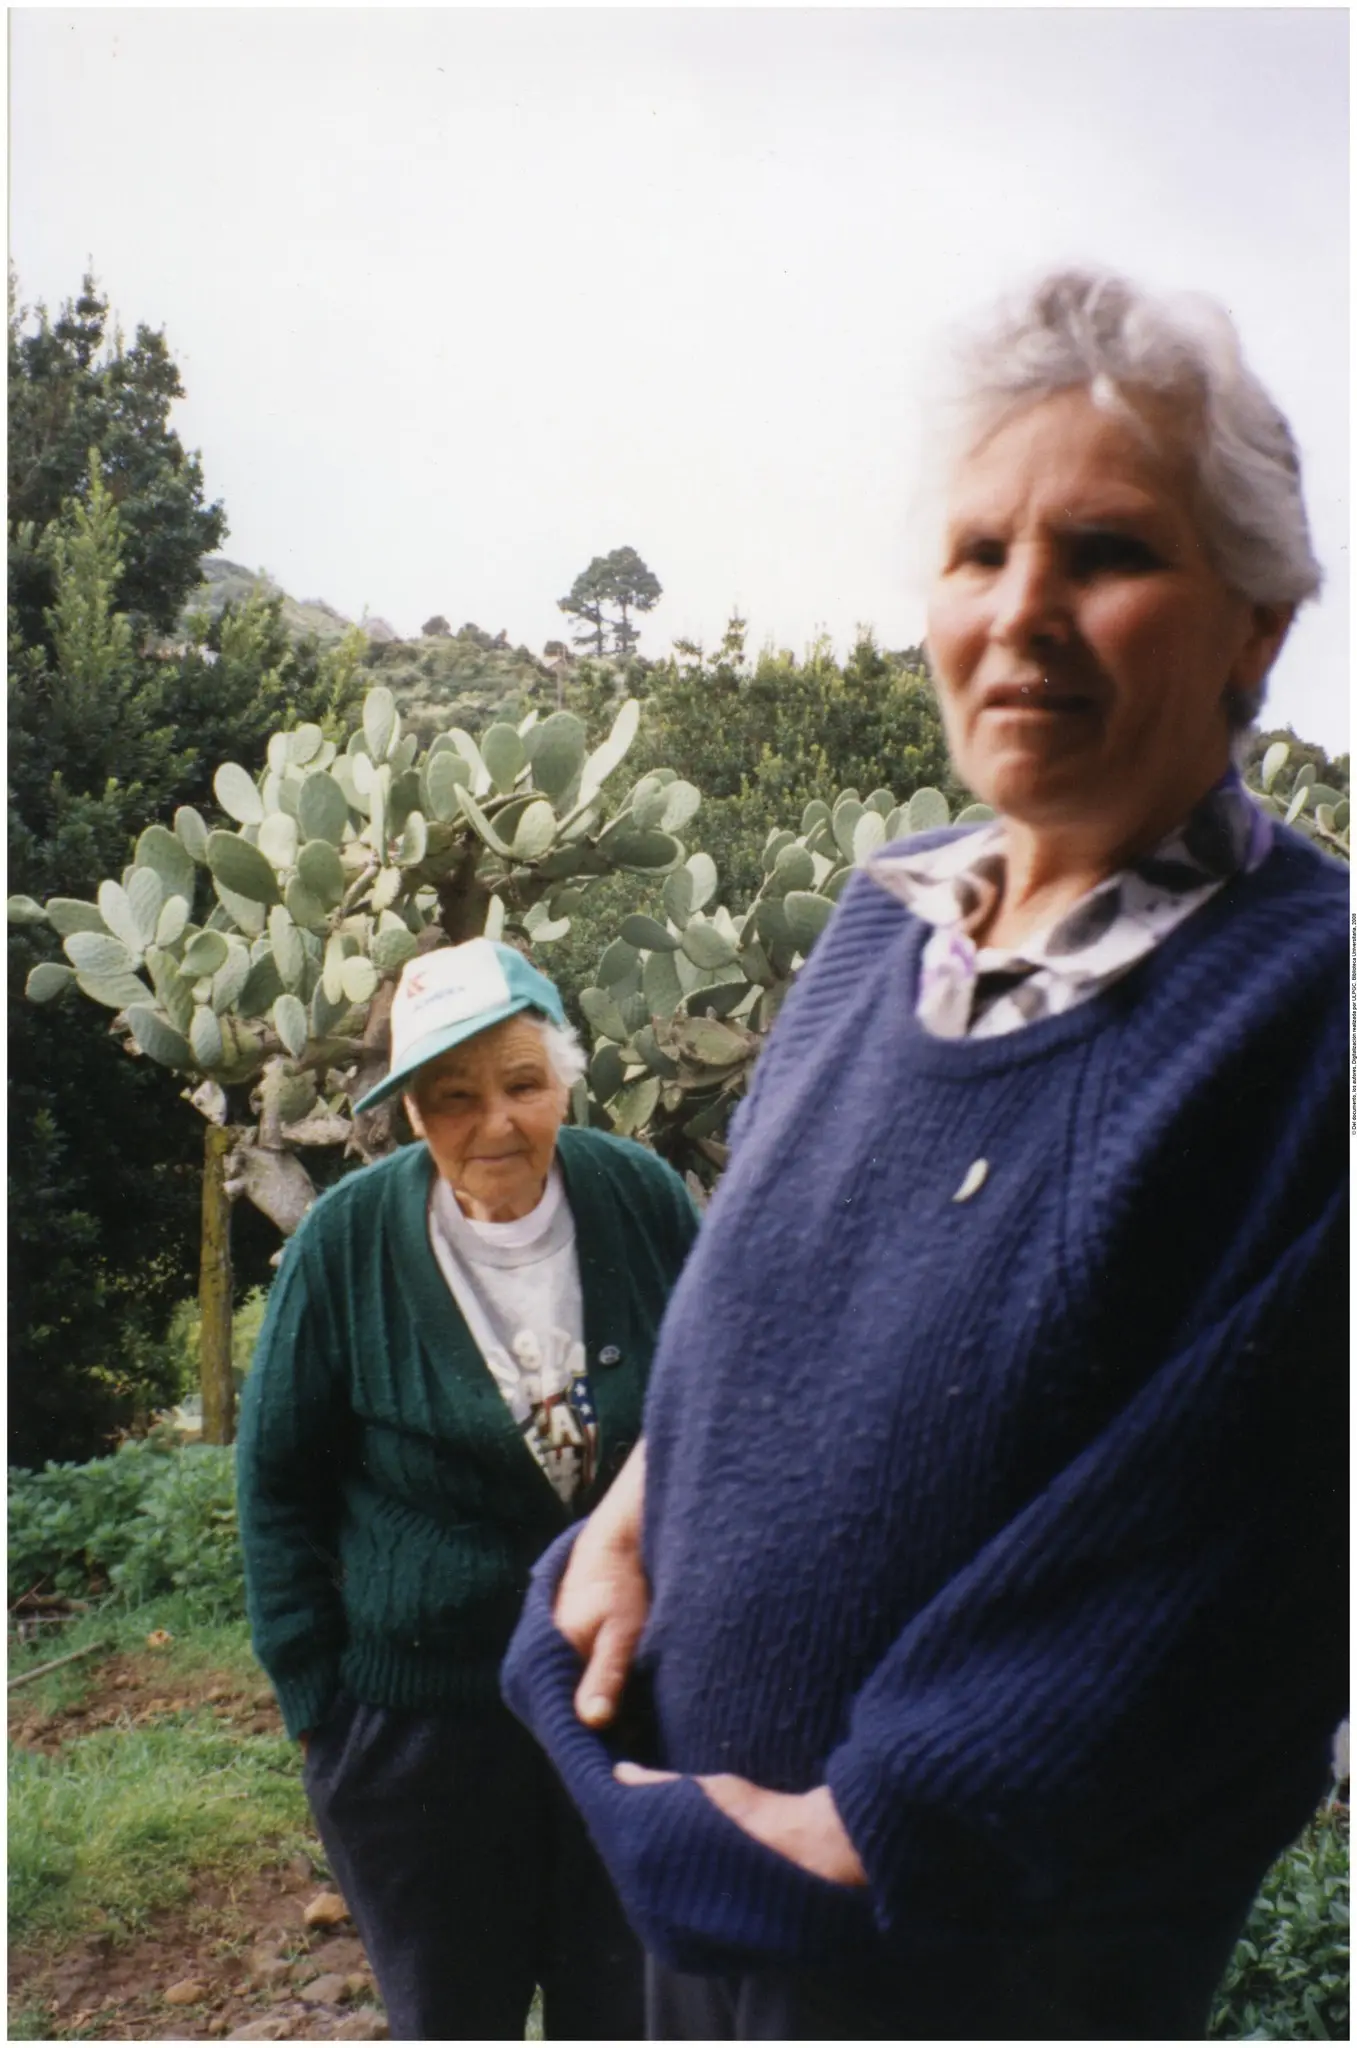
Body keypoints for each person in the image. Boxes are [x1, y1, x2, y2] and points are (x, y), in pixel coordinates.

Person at [502, 270, 1348, 2039]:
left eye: (1103, 552)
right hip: (710, 1925)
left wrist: (861, 1840)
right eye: (974, 554)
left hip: (958, 1966)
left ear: (1257, 618)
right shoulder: (883, 918)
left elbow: (1233, 1569)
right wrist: (624, 1529)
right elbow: (752, 1323)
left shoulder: (1311, 1011)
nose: (1018, 613)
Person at [237, 938, 701, 2040]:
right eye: (452, 1095)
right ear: (408, 1112)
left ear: (566, 1082)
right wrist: (320, 1711)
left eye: (523, 1083)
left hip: (618, 1701)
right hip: (417, 1731)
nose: (494, 1122)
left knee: (631, 2009)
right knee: (453, 2016)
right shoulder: (345, 1244)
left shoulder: (636, 1196)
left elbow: (715, 1404)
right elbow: (276, 1484)